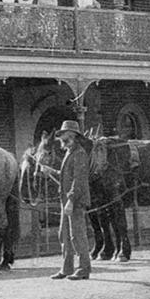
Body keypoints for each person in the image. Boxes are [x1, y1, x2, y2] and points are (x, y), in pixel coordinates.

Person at [51, 120, 91, 280]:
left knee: (77, 235)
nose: (62, 138)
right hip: (66, 201)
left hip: (75, 201)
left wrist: (71, 200)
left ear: (73, 136)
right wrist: (51, 172)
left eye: (64, 135)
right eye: (61, 135)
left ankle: (84, 269)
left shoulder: (79, 153)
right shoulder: (69, 152)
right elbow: (66, 176)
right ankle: (67, 268)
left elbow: (79, 179)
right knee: (64, 235)